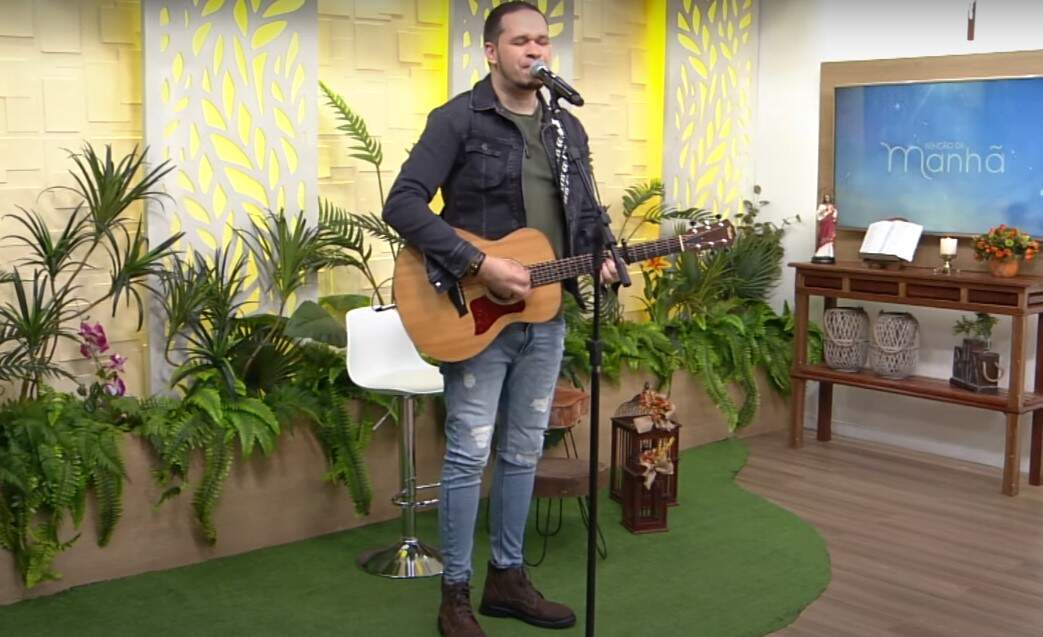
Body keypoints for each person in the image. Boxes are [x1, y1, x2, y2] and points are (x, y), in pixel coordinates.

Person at [382, 3, 618, 636]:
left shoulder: (566, 130)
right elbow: (401, 203)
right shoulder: (458, 119)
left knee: (522, 451)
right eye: (520, 42)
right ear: (492, 51)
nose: (534, 51)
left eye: (542, 41)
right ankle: (454, 595)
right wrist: (479, 263)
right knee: (469, 453)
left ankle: (507, 579)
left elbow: (585, 215)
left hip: (546, 314)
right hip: (474, 314)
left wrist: (601, 254)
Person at [812, 193, 838, 263]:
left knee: (830, 237)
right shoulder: (822, 206)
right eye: (826, 198)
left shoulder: (832, 206)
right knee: (823, 237)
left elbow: (835, 215)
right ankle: (821, 253)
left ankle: (829, 253)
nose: (827, 199)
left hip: (830, 224)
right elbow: (818, 214)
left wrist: (833, 214)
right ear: (824, 198)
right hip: (824, 224)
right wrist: (825, 210)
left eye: (828, 197)